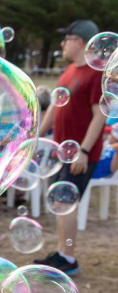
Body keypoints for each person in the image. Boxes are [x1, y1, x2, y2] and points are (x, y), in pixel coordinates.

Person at [35, 20, 105, 276]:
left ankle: (69, 258)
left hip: (80, 154)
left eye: (67, 39)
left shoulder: (96, 74)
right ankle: (62, 253)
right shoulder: (69, 71)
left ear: (80, 42)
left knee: (66, 203)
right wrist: (36, 137)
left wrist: (84, 151)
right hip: (62, 151)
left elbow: (100, 116)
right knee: (59, 202)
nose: (63, 43)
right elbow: (55, 108)